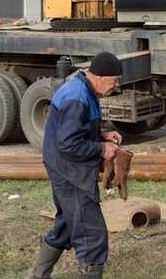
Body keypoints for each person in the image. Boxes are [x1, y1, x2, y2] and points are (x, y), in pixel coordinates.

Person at [29, 52, 123, 279]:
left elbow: (76, 130)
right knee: (92, 235)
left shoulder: (83, 90)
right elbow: (69, 145)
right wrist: (102, 149)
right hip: (70, 173)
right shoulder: (77, 97)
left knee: (66, 223)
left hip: (63, 168)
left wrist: (103, 133)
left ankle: (37, 275)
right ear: (99, 77)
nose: (116, 85)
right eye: (114, 80)